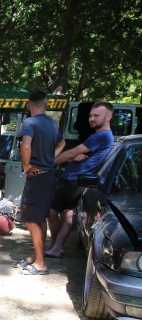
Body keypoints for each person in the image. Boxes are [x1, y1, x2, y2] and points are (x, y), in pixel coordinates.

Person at [45, 102, 114, 258]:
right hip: (77, 179)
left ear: (108, 117)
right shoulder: (104, 137)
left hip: (73, 181)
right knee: (67, 214)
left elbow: (71, 153)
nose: (91, 118)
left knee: (50, 212)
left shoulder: (101, 136)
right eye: (90, 115)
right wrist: (77, 158)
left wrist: (47, 164)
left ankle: (54, 244)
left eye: (96, 115)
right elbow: (80, 156)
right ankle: (56, 248)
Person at [15, 91, 66, 275]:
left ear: (29, 105)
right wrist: (51, 158)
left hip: (36, 177)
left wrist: (26, 165)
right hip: (48, 176)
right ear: (46, 106)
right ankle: (37, 256)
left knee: (29, 220)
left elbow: (26, 145)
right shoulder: (52, 123)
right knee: (39, 218)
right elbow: (62, 143)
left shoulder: (29, 122)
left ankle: (41, 264)